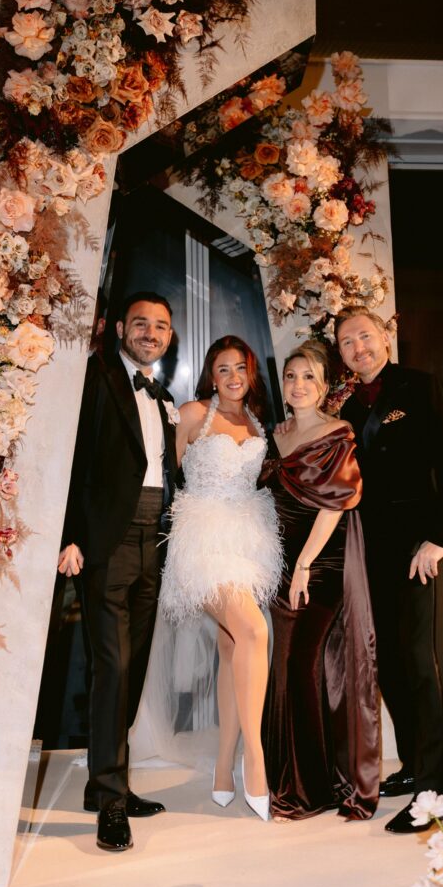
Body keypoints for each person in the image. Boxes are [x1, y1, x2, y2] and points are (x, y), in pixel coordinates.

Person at [335, 305, 443, 834]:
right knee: (387, 660)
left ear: (385, 338)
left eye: (365, 337)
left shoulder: (421, 387)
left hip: (418, 550)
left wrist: (441, 538)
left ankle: (435, 789)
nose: (359, 348)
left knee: (419, 661)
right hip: (366, 549)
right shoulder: (343, 403)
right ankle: (415, 763)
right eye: (347, 342)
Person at [59, 292, 178, 852]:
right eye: (141, 324)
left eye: (160, 326)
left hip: (155, 537)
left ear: (169, 337)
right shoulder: (96, 377)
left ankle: (108, 781)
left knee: (131, 668)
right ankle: (109, 801)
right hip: (108, 538)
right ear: (122, 329)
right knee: (111, 665)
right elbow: (71, 457)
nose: (150, 333)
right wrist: (70, 537)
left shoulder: (164, 395)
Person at [157, 336, 282, 821]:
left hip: (248, 539)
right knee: (253, 629)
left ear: (251, 375)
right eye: (223, 368)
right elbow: (161, 469)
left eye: (241, 369)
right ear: (211, 374)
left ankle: (223, 767)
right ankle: (256, 756)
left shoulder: (256, 422)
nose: (233, 377)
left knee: (233, 647)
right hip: (201, 539)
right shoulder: (192, 414)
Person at [261, 340, 380, 821]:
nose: (298, 385)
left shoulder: (338, 432)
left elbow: (334, 506)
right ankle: (289, 777)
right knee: (285, 665)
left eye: (308, 376)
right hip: (280, 564)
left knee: (299, 661)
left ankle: (312, 785)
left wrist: (305, 565)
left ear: (325, 386)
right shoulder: (277, 432)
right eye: (291, 376)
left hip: (322, 566)